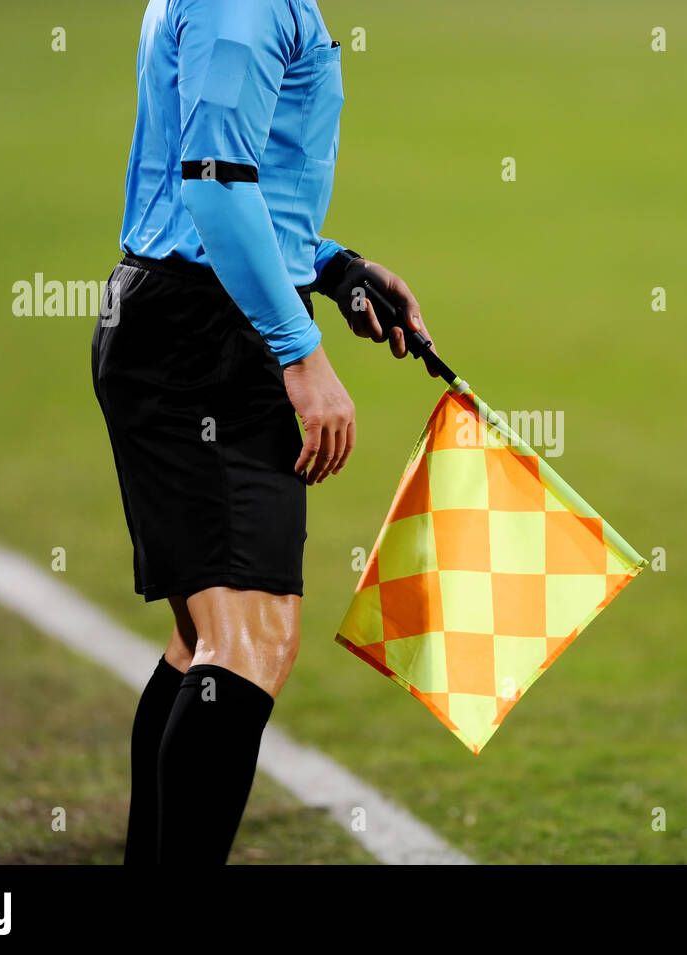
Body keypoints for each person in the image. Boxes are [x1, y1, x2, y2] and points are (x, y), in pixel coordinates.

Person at [91, 0, 436, 864]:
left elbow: (229, 174)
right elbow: (211, 185)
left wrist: (331, 266)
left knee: (206, 640)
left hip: (194, 322)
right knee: (251, 643)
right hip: (203, 340)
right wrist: (300, 349)